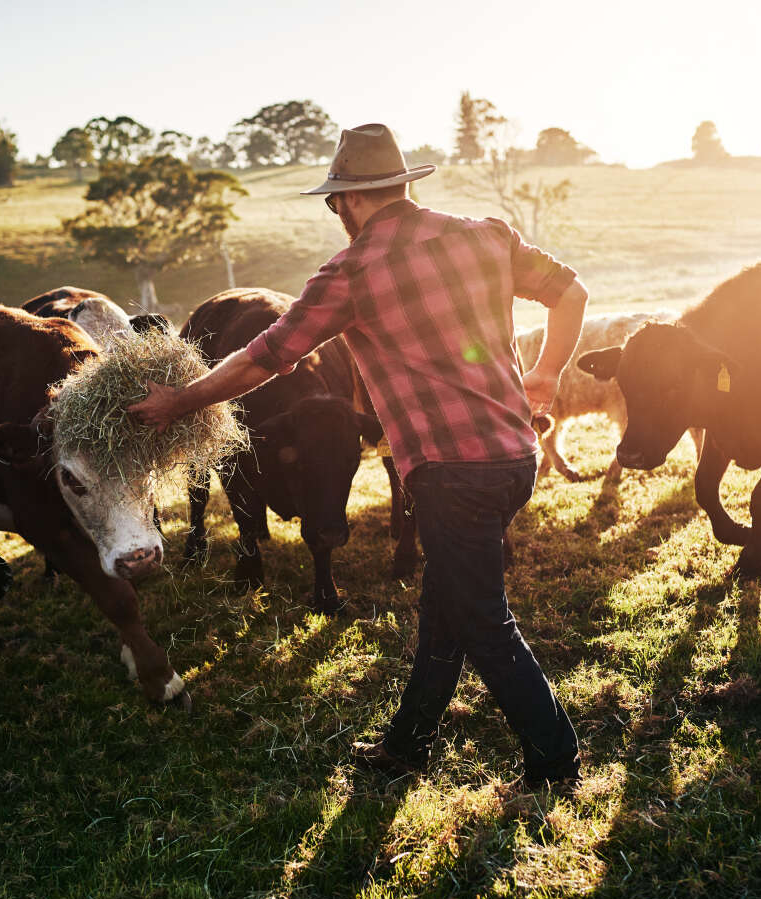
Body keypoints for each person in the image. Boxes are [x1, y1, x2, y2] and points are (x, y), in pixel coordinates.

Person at [127, 123, 586, 789]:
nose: (335, 213)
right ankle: (405, 747)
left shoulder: (353, 272)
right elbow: (571, 291)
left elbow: (267, 356)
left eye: (333, 203)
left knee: (484, 621)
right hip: (516, 458)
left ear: (348, 201)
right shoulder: (486, 235)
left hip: (451, 471)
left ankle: (555, 762)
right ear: (400, 184)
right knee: (445, 608)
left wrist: (182, 401)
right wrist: (545, 375)